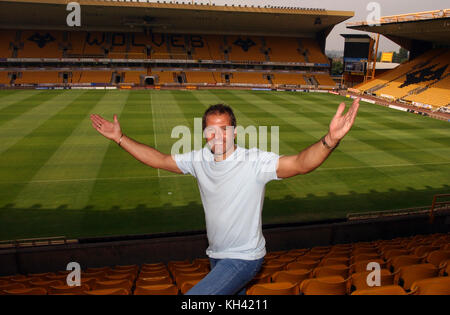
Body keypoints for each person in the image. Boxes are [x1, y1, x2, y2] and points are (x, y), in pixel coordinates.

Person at [90, 97, 360, 295]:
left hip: (244, 259)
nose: (217, 136)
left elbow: (301, 163)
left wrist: (330, 140)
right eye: (211, 130)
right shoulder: (198, 160)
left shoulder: (255, 162)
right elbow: (160, 159)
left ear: (234, 131)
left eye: (224, 129)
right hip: (216, 255)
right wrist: (120, 138)